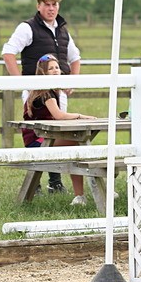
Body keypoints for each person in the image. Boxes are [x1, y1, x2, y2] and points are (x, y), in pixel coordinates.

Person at [2, 0, 82, 193]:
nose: (51, 8)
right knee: (36, 131)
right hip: (35, 94)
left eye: (54, 4)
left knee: (58, 130)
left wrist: (72, 81)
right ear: (39, 6)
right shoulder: (27, 27)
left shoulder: (63, 30)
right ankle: (35, 181)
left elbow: (75, 57)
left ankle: (54, 182)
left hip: (59, 92)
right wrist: (20, 83)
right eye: (46, 4)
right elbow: (8, 52)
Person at [25, 54, 95, 206]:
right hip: (37, 141)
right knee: (78, 143)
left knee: (78, 145)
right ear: (43, 72)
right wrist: (80, 116)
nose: (56, 70)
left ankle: (83, 194)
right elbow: (59, 115)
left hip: (44, 138)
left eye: (57, 67)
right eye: (51, 68)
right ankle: (88, 190)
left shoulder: (49, 91)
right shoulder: (45, 93)